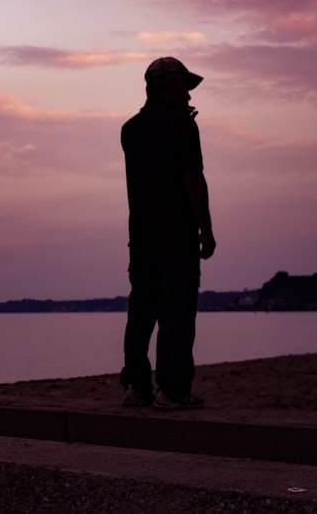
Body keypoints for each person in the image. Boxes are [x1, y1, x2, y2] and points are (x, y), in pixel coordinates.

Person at [120, 57, 216, 410]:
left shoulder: (130, 130)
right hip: (176, 234)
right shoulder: (182, 126)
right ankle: (173, 389)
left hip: (141, 236)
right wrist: (206, 230)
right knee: (176, 311)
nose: (189, 95)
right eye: (185, 87)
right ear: (171, 87)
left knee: (141, 311)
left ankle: (137, 386)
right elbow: (193, 179)